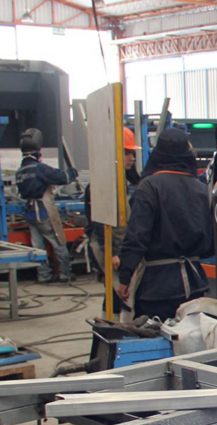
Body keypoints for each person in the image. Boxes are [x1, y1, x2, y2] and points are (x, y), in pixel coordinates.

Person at [117, 128, 212, 321]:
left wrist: (125, 277)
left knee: (156, 340)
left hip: (157, 288)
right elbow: (211, 242)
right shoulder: (202, 189)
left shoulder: (149, 187)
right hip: (195, 285)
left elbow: (136, 237)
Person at [85, 126, 142, 315]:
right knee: (119, 292)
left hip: (117, 244)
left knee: (115, 293)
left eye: (132, 153)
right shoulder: (105, 184)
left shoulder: (121, 180)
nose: (132, 158)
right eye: (127, 153)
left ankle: (110, 327)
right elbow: (100, 222)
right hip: (107, 246)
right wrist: (113, 252)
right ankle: (112, 331)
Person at [15, 128, 77, 283]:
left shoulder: (20, 171)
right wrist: (72, 172)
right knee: (58, 242)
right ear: (38, 150)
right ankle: (65, 274)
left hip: (29, 213)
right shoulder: (40, 168)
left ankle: (44, 276)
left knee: (38, 246)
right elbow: (62, 177)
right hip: (43, 211)